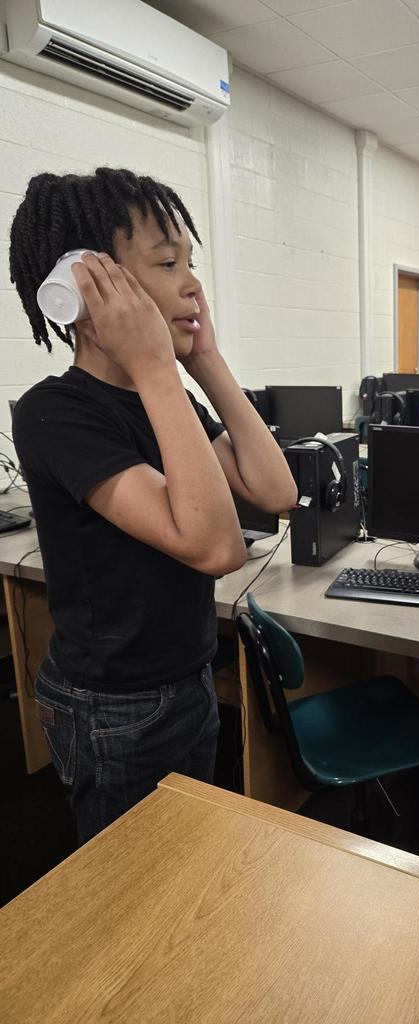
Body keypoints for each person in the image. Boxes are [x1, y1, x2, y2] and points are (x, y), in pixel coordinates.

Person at [9, 168, 298, 845]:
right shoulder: (57, 413)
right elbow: (214, 547)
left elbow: (277, 492)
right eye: (168, 263)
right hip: (112, 708)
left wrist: (207, 363)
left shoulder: (168, 400)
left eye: (189, 263)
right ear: (86, 285)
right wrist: (156, 367)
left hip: (187, 679)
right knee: (129, 891)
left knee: (182, 865)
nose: (193, 283)